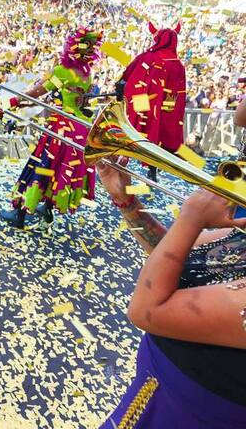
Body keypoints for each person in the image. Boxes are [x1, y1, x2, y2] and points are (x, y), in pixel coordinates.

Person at [97, 157, 246, 428]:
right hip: (153, 398)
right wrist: (126, 201)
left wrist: (192, 217)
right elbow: (170, 255)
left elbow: (146, 311)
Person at [0, 27, 102, 229]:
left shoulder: (62, 72)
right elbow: (81, 103)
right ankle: (46, 209)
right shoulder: (87, 73)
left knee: (41, 167)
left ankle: (19, 214)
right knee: (58, 171)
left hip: (61, 128)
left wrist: (11, 101)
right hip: (80, 130)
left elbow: (37, 92)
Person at [120, 23, 187, 182]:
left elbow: (130, 77)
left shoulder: (149, 56)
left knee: (136, 129)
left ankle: (123, 159)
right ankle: (152, 170)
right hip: (165, 108)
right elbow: (178, 93)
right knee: (158, 136)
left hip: (144, 104)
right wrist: (169, 110)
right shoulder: (178, 64)